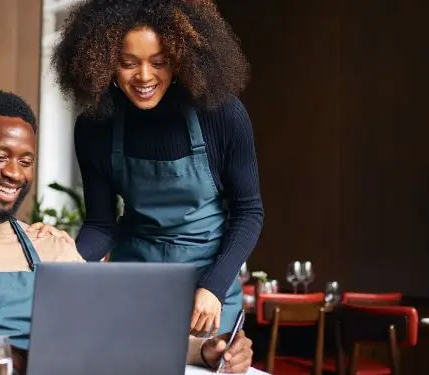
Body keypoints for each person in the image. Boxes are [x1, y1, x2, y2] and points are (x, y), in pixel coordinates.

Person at [0, 91, 253, 373]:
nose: (14, 173)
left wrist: (206, 351)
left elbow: (117, 333)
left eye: (26, 161)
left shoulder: (47, 246)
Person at [40, 0, 265, 337]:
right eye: (127, 63)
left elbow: (249, 212)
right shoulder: (95, 126)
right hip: (134, 283)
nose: (144, 77)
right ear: (104, 63)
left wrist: (214, 287)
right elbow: (101, 226)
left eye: (159, 62)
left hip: (206, 288)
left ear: (180, 58)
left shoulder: (222, 115)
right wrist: (67, 258)